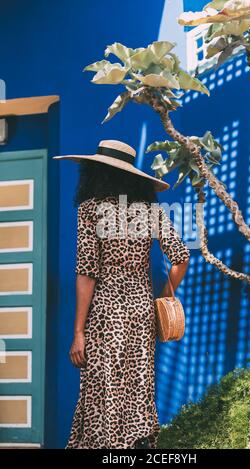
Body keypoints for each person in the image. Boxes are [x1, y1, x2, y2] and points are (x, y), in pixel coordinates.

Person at [53, 139, 190, 449]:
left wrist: (78, 332)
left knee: (104, 390)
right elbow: (181, 258)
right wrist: (164, 297)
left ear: (97, 172)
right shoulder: (150, 210)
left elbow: (87, 272)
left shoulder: (91, 210)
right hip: (141, 312)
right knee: (138, 389)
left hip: (105, 314)